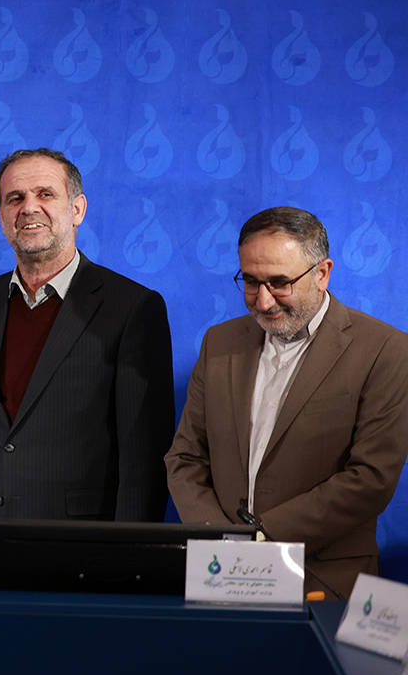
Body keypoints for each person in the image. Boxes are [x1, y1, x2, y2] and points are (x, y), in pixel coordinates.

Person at [167, 207, 408, 599]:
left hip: (324, 582)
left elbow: (371, 478)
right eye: (250, 281)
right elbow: (185, 458)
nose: (263, 302)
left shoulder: (386, 350)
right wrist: (221, 539)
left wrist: (261, 537)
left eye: (279, 283)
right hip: (219, 575)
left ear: (322, 273)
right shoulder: (218, 342)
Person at [0, 147, 173, 526]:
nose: (29, 208)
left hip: (81, 541)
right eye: (15, 198)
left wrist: (129, 549)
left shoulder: (132, 307)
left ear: (77, 209)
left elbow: (144, 457)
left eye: (45, 194)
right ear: (1, 217)